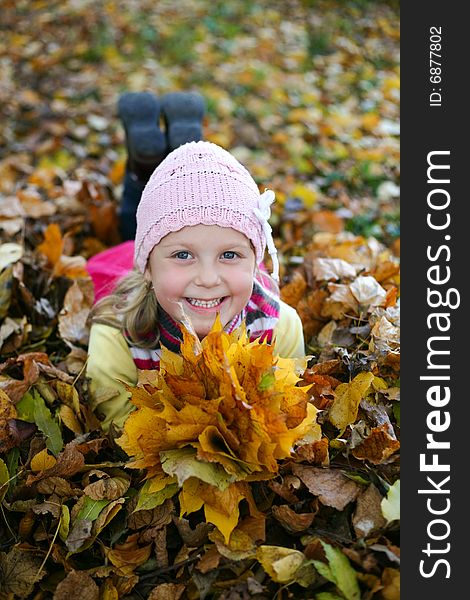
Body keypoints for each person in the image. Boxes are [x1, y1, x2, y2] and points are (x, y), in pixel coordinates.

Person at [86, 119, 305, 435]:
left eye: (230, 255)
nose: (207, 278)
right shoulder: (117, 335)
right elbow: (120, 435)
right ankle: (142, 168)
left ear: (255, 261)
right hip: (127, 260)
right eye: (183, 255)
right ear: (147, 268)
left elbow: (287, 415)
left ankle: (176, 148)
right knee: (127, 226)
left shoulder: (278, 327)